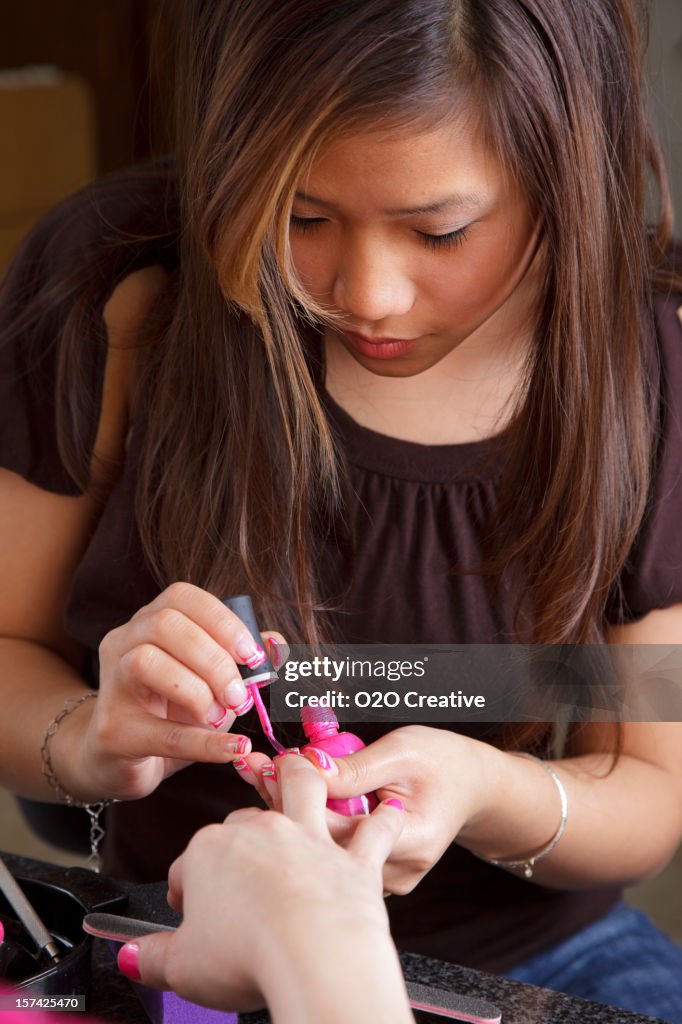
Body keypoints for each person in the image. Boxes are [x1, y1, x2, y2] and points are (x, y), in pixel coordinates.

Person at [0, 0, 681, 1020]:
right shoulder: (126, 292)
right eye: (303, 217)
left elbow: (651, 791)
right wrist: (88, 736)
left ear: (562, 173)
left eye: (438, 229)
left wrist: (484, 791)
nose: (367, 295)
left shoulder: (643, 368)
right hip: (170, 928)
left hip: (542, 954)